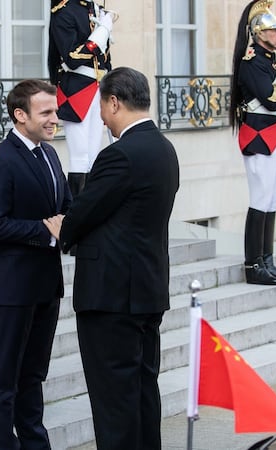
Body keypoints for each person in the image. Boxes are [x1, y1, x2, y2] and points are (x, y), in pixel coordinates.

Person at [45, 67, 179, 450]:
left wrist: (64, 229)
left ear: (114, 102)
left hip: (113, 296)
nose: (100, 117)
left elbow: (85, 211)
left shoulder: (119, 154)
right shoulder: (164, 148)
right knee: (141, 391)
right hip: (147, 290)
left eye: (102, 106)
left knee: (114, 402)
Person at [0, 79, 71, 450]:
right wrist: (45, 231)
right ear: (20, 115)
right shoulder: (0, 159)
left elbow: (64, 206)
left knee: (34, 375)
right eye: (45, 112)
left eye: (54, 110)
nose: (54, 118)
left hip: (46, 285)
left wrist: (66, 225)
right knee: (4, 381)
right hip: (10, 289)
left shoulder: (50, 154)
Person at [229, 0, 276, 286]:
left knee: (272, 200)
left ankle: (267, 261)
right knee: (260, 200)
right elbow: (271, 101)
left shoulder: (272, 61)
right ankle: (253, 264)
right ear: (259, 33)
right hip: (261, 137)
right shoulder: (252, 63)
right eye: (274, 31)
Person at [48, 0, 114, 197]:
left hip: (98, 87)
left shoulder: (95, 10)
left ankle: (91, 203)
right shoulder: (64, 11)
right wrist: (101, 33)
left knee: (93, 155)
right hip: (76, 89)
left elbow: (105, 59)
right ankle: (76, 206)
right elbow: (72, 58)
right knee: (79, 156)